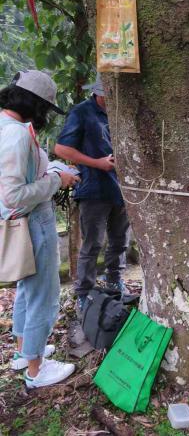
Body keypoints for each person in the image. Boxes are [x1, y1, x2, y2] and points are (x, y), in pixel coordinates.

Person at [0, 70, 79, 388]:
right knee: (45, 295)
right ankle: (36, 369)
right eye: (45, 108)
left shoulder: (7, 127)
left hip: (22, 223)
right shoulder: (17, 135)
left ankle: (23, 352)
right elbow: (13, 194)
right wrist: (57, 180)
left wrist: (49, 172)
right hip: (33, 222)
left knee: (27, 291)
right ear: (34, 104)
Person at [55, 73, 130, 314]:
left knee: (119, 241)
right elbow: (61, 148)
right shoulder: (82, 112)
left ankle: (114, 281)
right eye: (106, 95)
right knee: (93, 243)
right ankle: (84, 293)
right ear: (97, 93)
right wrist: (96, 163)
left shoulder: (121, 110)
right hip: (94, 187)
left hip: (123, 187)